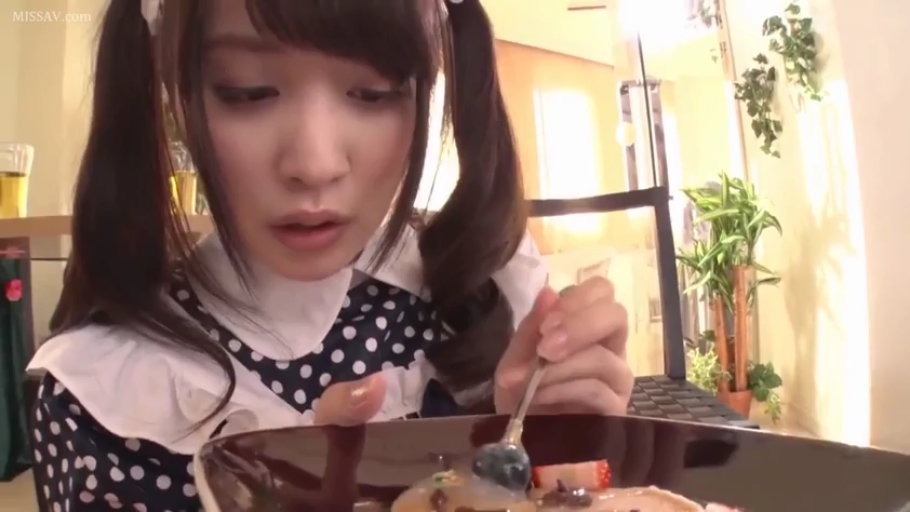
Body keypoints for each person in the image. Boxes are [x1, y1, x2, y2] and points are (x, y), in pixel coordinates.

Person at [26, 0, 634, 510]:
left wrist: (565, 447)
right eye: (248, 91)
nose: (315, 163)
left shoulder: (482, 292)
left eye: (372, 92)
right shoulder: (104, 397)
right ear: (176, 95)